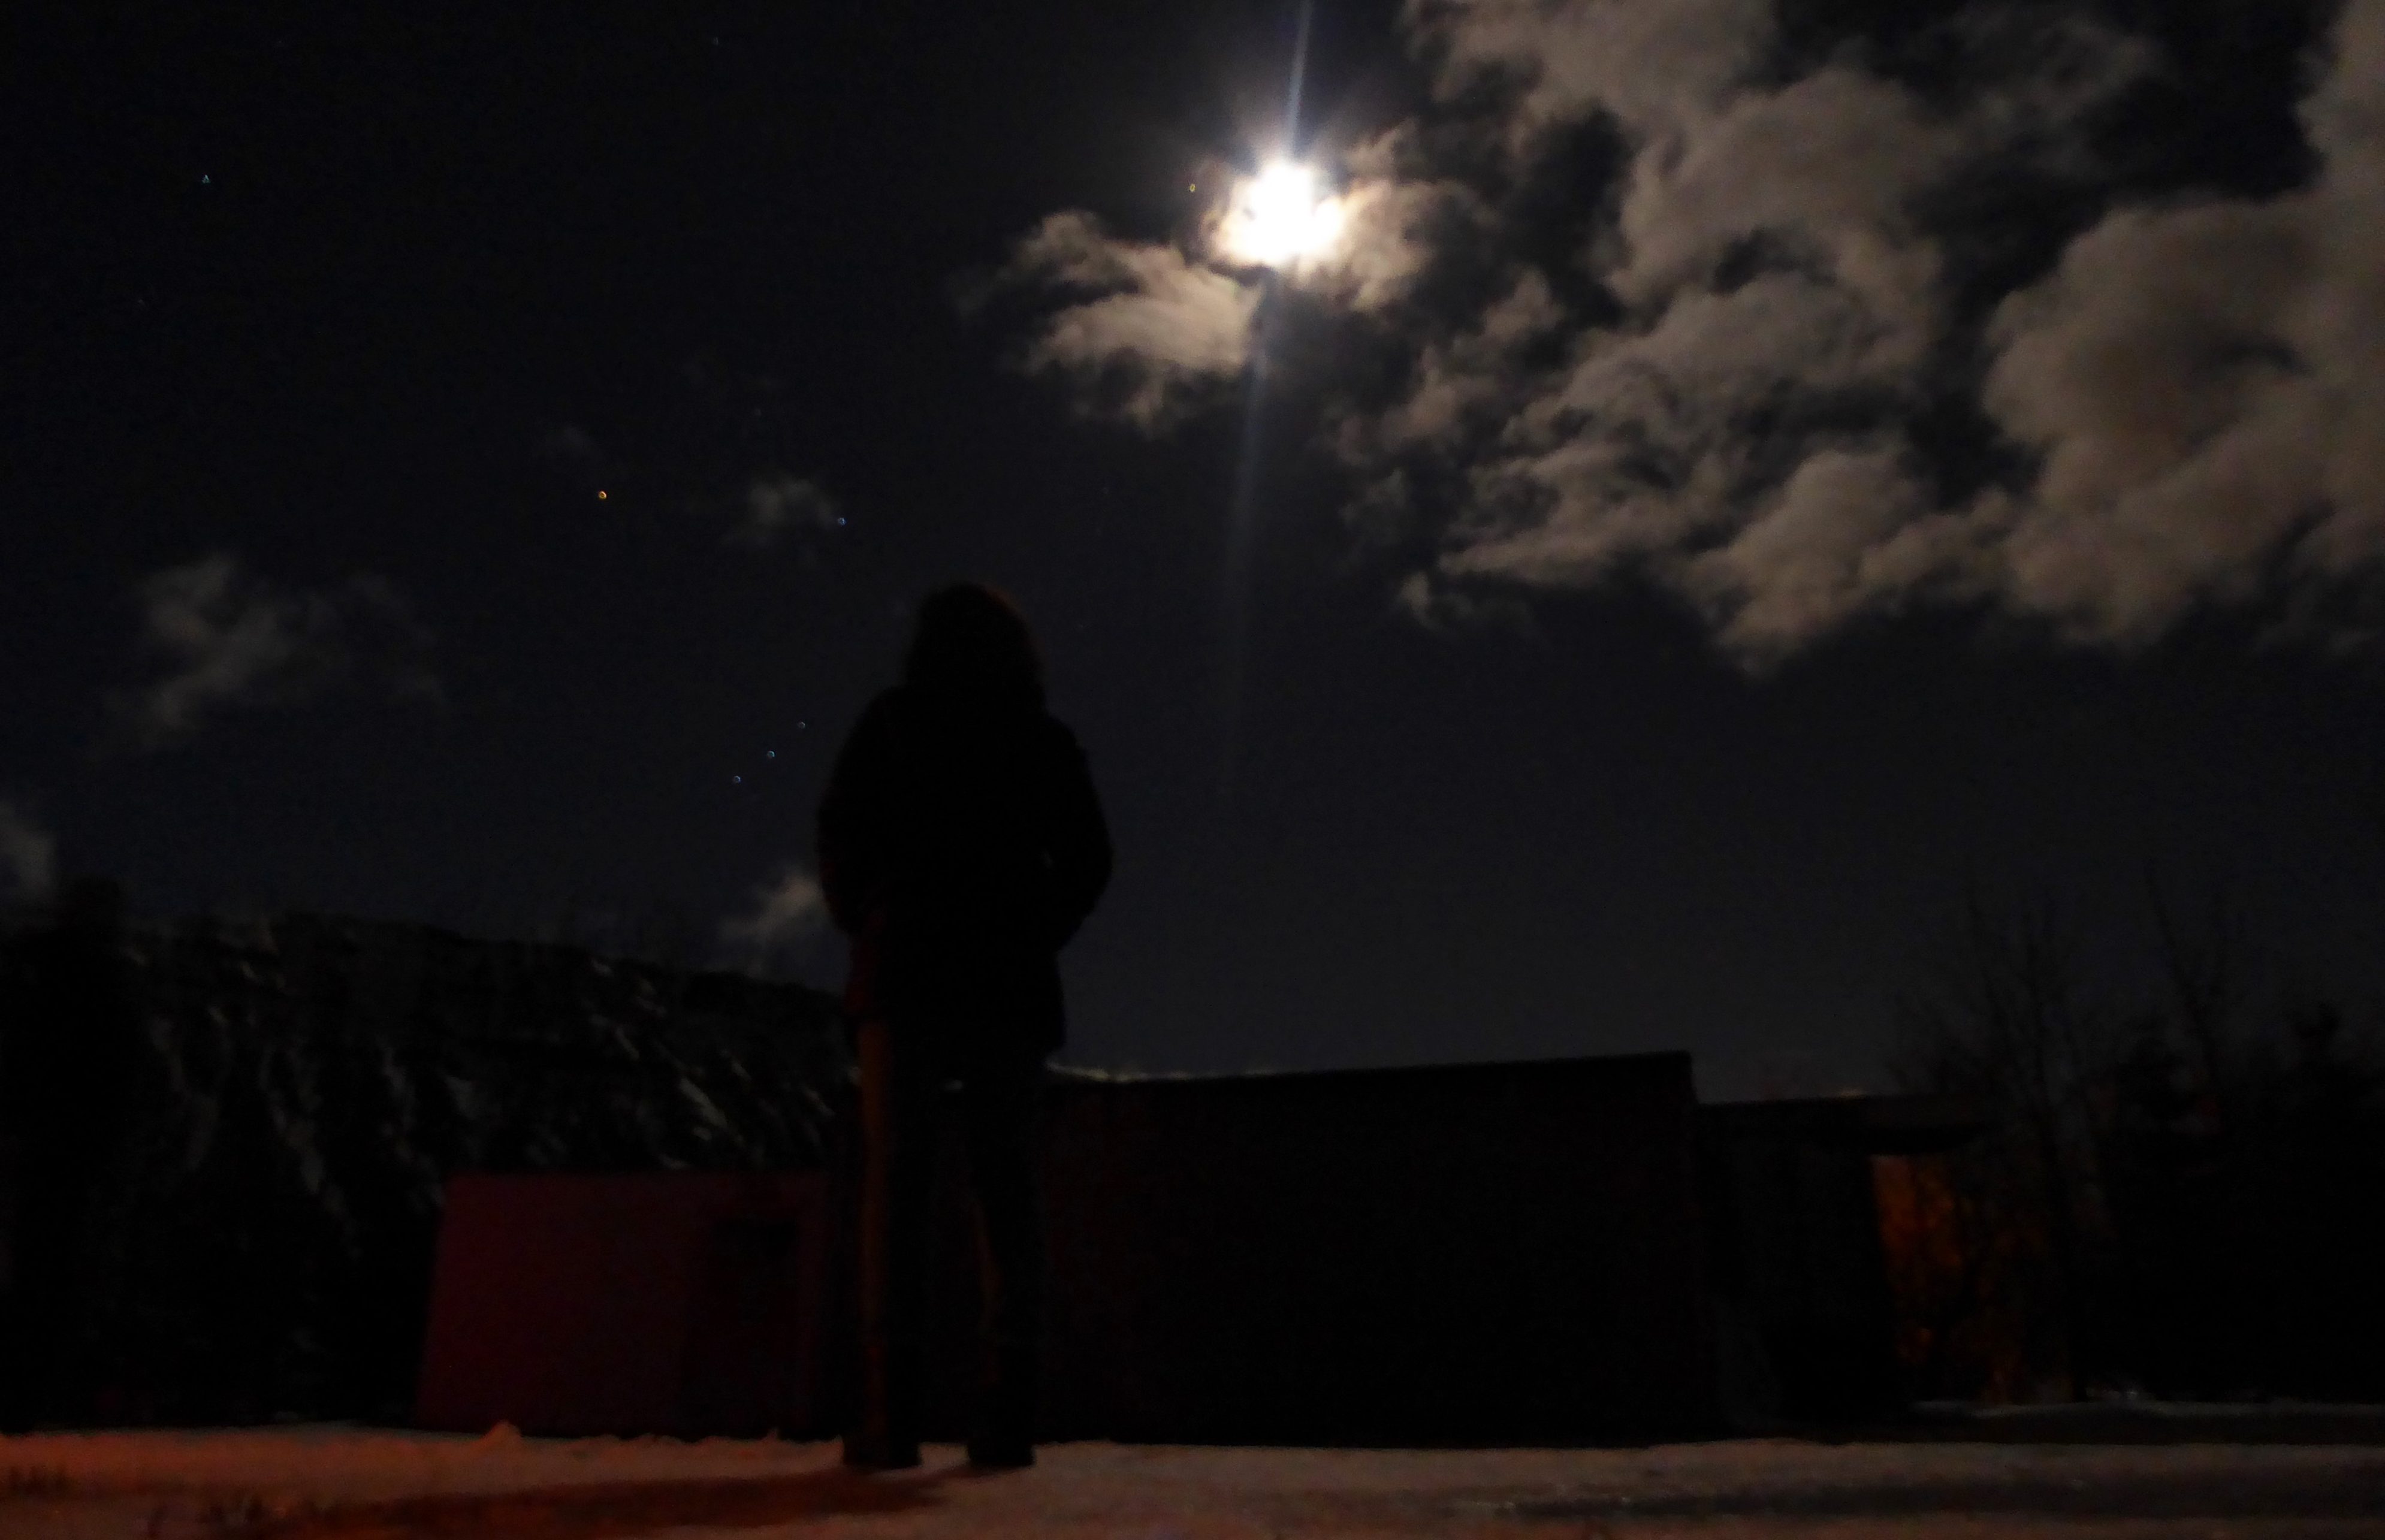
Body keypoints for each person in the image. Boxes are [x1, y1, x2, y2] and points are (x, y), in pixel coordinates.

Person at [817, 583, 1111, 1471]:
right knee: (1005, 1188)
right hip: (1005, 985)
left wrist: (869, 916)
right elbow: (1092, 858)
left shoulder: (894, 721)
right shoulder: (1041, 738)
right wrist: (1034, 929)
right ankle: (1006, 1415)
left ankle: (891, 1413)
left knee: (896, 1193)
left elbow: (839, 832)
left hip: (906, 971)